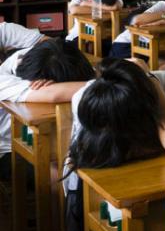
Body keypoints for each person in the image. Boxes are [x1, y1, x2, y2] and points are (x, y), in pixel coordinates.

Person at [66, 58, 165, 175]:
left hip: (155, 177)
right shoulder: (91, 98)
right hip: (95, 181)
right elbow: (93, 156)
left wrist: (152, 83)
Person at [0, 40, 95, 175]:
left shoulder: (59, 60)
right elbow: (54, 94)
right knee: (58, 175)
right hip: (8, 149)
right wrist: (115, 81)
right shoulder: (5, 80)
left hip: (43, 137)